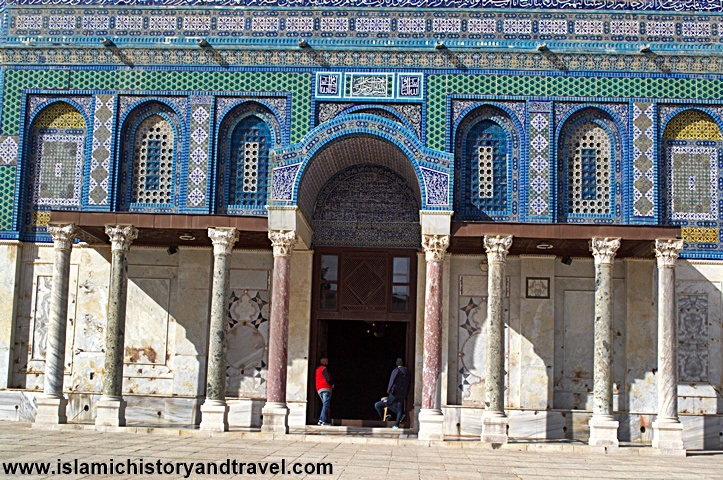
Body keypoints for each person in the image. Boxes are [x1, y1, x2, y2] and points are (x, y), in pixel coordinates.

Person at [374, 357, 410, 429]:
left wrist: (389, 390)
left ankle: (397, 414)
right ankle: (396, 424)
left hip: (395, 392)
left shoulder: (396, 370)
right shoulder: (407, 371)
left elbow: (392, 380)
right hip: (403, 393)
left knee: (387, 403)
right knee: (400, 407)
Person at [315, 357, 334, 426]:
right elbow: (328, 379)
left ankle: (320, 420)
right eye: (326, 361)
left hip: (319, 389)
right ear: (324, 362)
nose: (328, 363)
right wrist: (332, 384)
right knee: (325, 405)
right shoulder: (324, 369)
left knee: (324, 405)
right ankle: (323, 421)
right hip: (326, 388)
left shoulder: (317, 369)